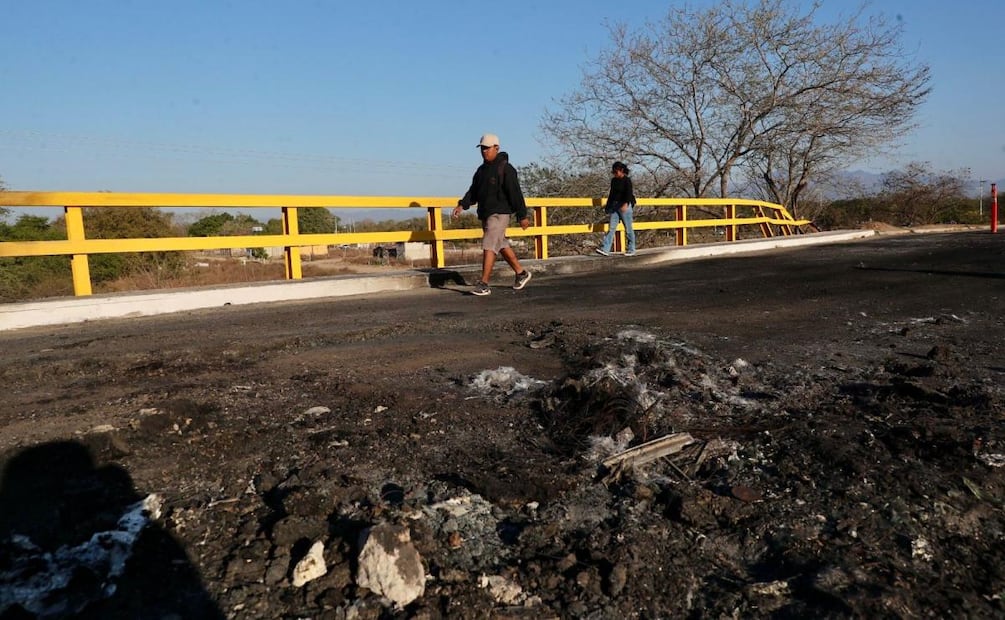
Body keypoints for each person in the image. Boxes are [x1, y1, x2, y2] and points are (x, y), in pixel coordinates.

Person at [451, 133, 533, 296]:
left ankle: (484, 283)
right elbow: (473, 191)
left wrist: (522, 215)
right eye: (482, 148)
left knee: (489, 243)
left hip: (500, 213)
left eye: (487, 148)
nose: (484, 151)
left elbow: (515, 193)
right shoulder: (481, 171)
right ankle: (521, 273)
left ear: (496, 148)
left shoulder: (506, 169)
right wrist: (462, 204)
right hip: (486, 213)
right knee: (500, 244)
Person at [596, 161, 637, 257]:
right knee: (611, 228)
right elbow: (611, 194)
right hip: (615, 206)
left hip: (624, 206)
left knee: (628, 228)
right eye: (613, 172)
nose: (615, 174)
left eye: (616, 172)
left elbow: (629, 193)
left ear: (621, 170)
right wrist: (608, 206)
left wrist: (626, 204)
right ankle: (605, 249)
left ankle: (631, 249)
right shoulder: (614, 181)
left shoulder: (627, 180)